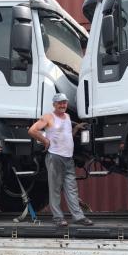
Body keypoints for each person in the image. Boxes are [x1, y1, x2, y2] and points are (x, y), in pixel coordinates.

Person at [28, 93, 93, 227]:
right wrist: (45, 140)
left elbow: (67, 134)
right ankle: (58, 217)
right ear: (54, 105)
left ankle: (78, 217)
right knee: (55, 188)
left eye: (64, 102)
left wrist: (76, 128)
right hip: (55, 156)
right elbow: (32, 130)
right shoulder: (48, 117)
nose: (63, 105)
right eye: (60, 103)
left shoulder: (67, 117)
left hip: (68, 158)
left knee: (71, 188)